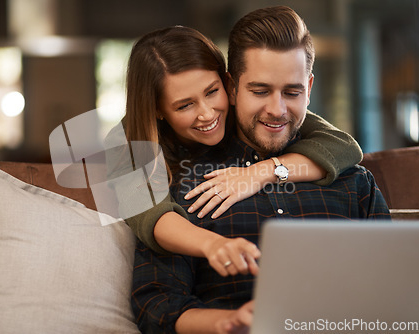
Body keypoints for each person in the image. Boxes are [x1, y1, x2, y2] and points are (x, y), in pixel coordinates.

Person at [130, 6, 390, 333]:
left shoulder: (353, 181)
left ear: (309, 88)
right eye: (260, 90)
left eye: (292, 92)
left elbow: (397, 289)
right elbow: (155, 305)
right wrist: (228, 322)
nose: (277, 110)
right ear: (233, 87)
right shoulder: (183, 187)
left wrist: (264, 172)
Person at [106, 23, 363, 277]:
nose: (207, 114)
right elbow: (152, 216)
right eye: (185, 106)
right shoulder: (127, 141)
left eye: (212, 91)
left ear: (228, 85)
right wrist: (215, 245)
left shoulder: (255, 111)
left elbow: (343, 146)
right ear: (157, 110)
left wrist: (260, 173)